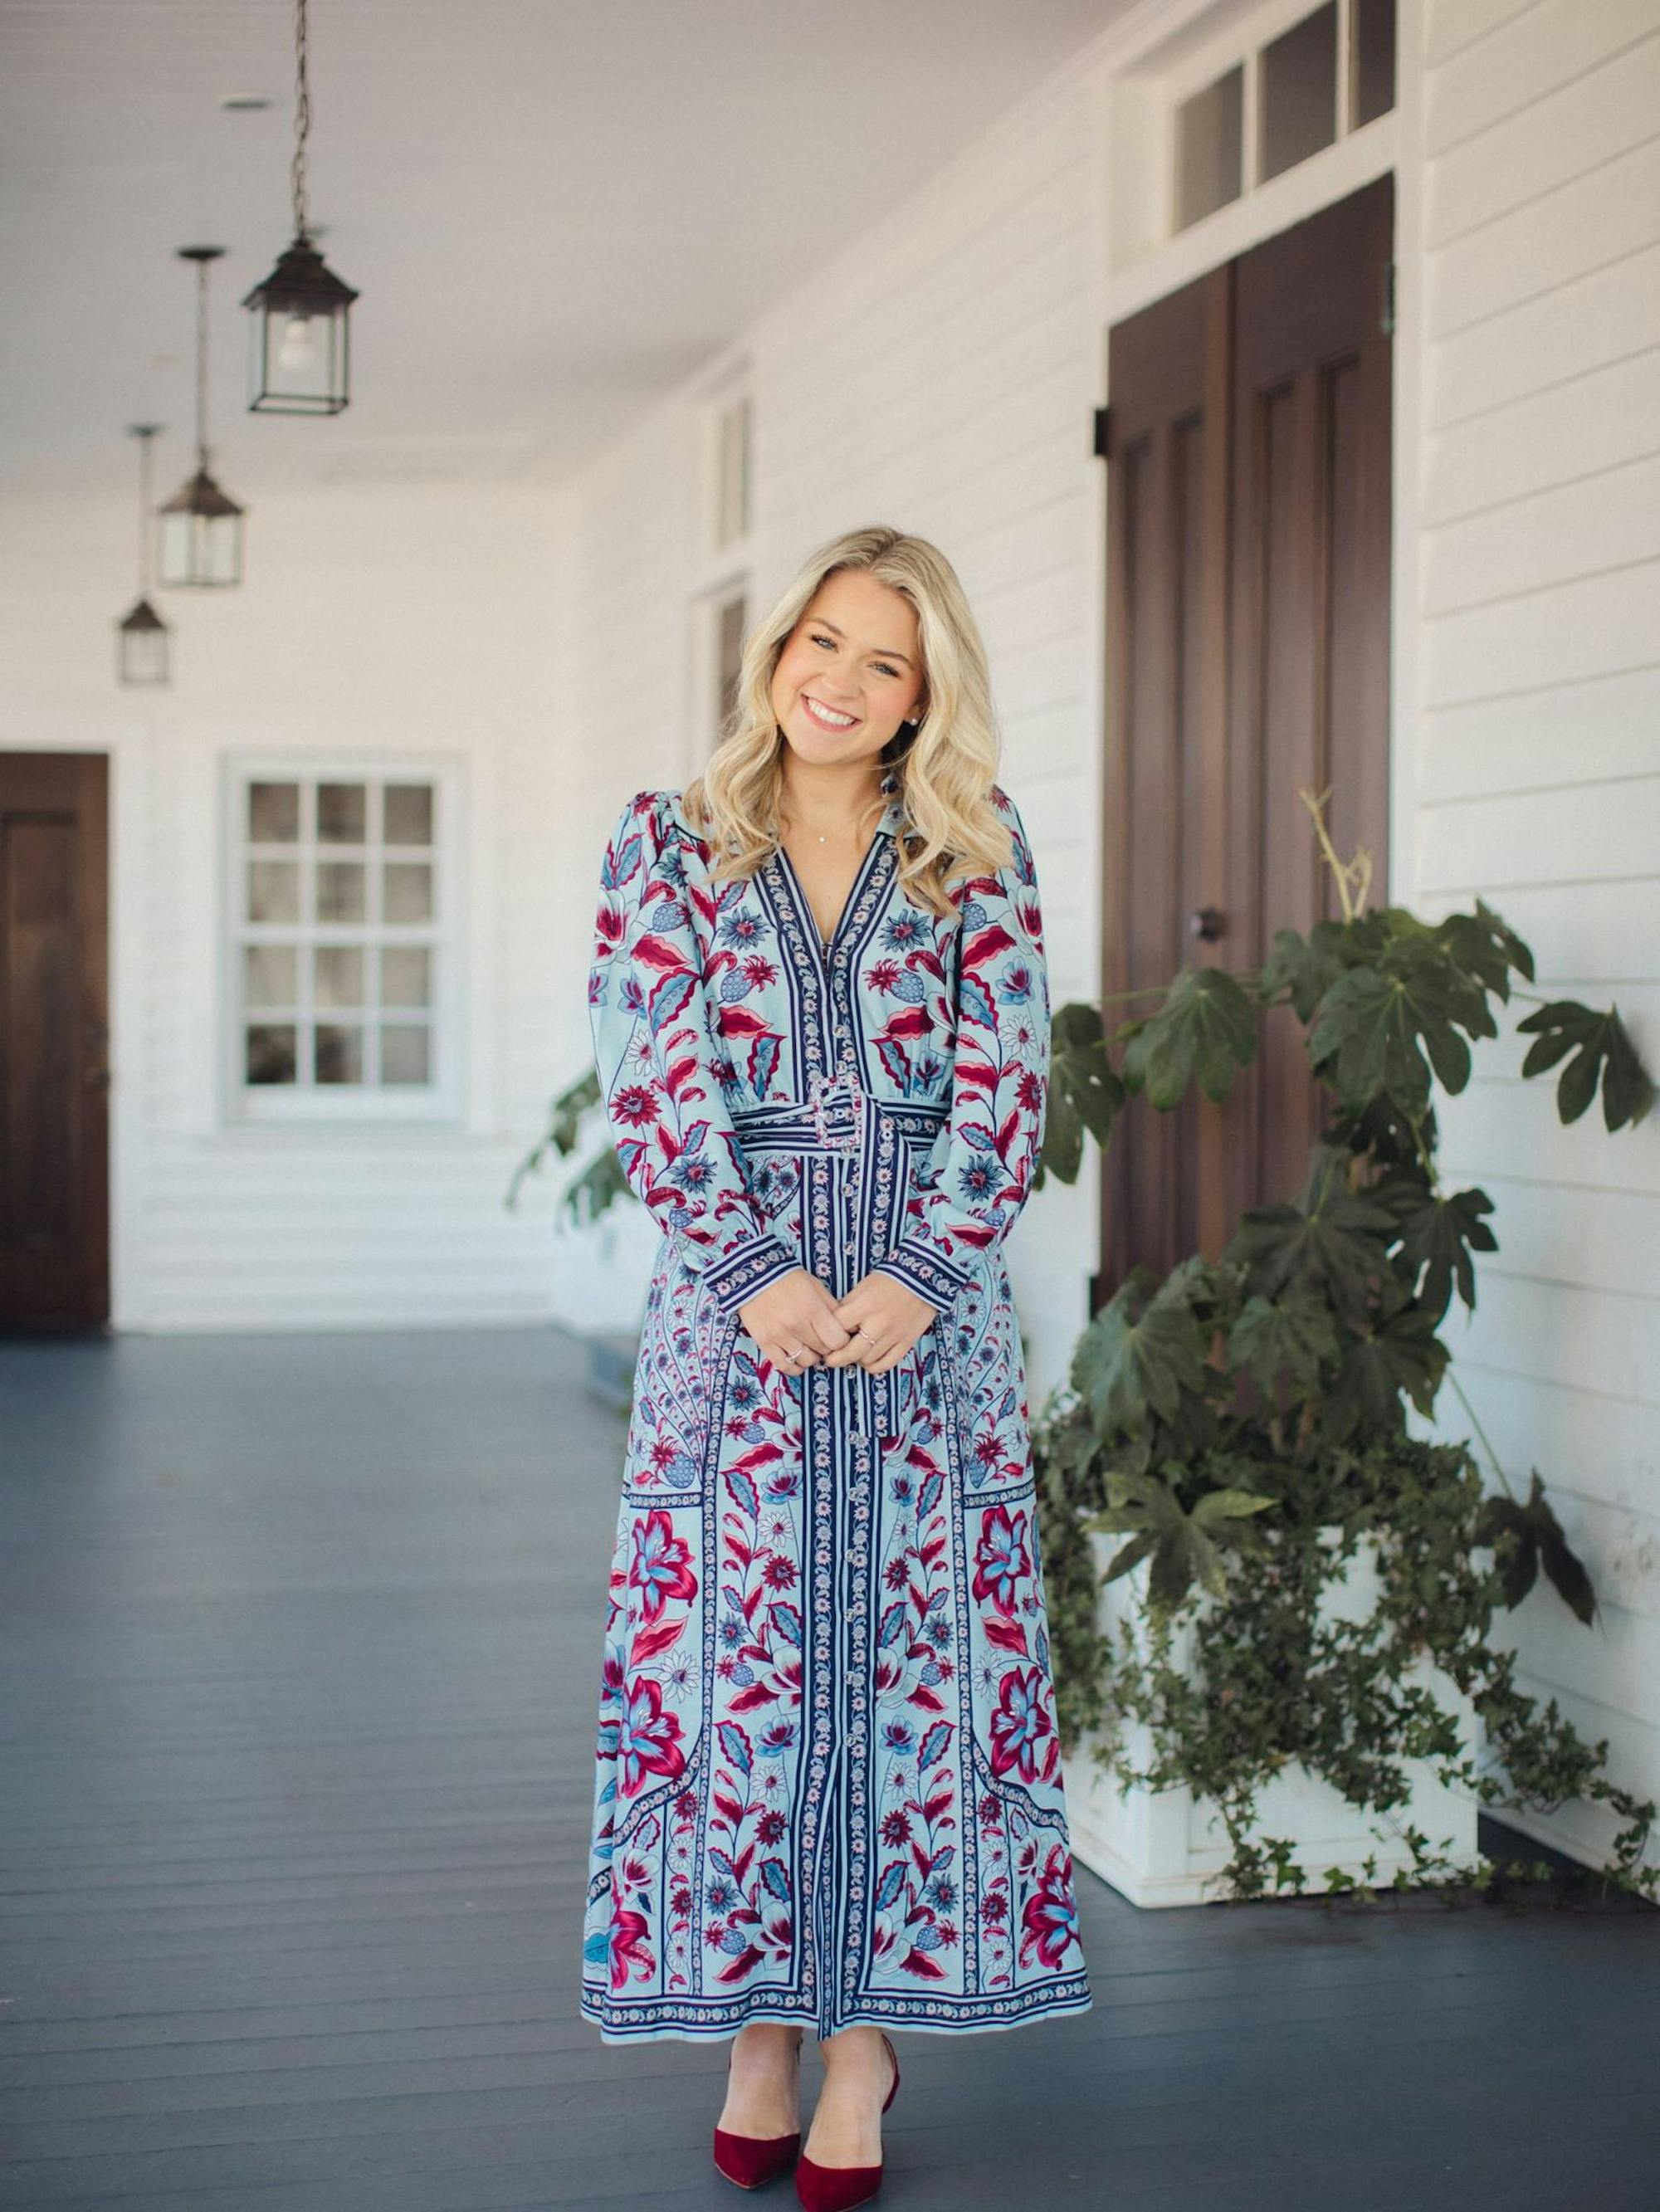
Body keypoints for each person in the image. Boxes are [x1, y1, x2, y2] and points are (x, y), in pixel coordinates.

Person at [579, 525, 1090, 2207]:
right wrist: (751, 1270)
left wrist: (928, 1269)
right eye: (819, 639)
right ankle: (755, 2030)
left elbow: (1009, 1077)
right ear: (773, 650)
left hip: (920, 1330)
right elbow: (647, 1078)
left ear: (924, 689)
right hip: (731, 1333)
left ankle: (865, 2038)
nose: (838, 680)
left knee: (908, 1683)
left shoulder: (974, 844)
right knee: (735, 1681)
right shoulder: (666, 841)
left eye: (883, 658)